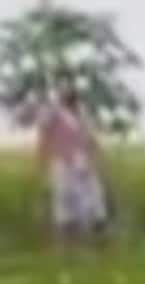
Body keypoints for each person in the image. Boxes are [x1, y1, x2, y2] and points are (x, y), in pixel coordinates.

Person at [35, 83, 110, 256]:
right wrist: (42, 159)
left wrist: (100, 161)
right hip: (64, 164)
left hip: (82, 164)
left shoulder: (82, 116)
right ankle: (68, 248)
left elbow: (91, 141)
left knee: (93, 204)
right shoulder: (53, 114)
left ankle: (95, 246)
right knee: (65, 207)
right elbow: (45, 135)